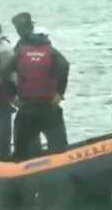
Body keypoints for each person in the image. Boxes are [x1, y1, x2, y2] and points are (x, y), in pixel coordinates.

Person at [2, 12, 69, 161]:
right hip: (49, 107)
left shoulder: (19, 51)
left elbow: (5, 72)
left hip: (27, 109)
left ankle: (25, 171)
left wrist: (12, 96)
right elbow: (64, 66)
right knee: (60, 151)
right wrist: (59, 93)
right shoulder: (49, 49)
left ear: (19, 29)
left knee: (22, 154)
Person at [0, 26, 15, 160]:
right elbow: (12, 75)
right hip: (3, 96)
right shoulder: (5, 49)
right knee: (3, 130)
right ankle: (4, 157)